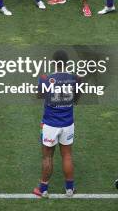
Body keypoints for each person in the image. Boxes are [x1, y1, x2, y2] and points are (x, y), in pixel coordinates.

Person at [34, 50, 79, 198]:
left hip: (50, 123)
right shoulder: (76, 78)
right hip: (67, 122)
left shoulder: (45, 78)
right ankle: (69, 189)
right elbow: (76, 98)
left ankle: (43, 189)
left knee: (47, 157)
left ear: (54, 62)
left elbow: (39, 95)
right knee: (67, 156)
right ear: (67, 63)